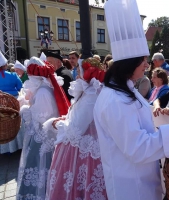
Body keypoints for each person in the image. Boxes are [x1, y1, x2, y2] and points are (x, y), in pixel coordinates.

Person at [93, 1, 169, 199]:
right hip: (130, 183)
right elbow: (137, 147)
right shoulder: (115, 100)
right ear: (129, 63)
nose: (147, 64)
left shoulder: (126, 89)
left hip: (139, 176)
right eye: (143, 60)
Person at [45, 58, 107, 200]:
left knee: (79, 188)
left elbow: (76, 130)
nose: (77, 75)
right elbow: (78, 116)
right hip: (85, 148)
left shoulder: (92, 94)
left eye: (79, 72)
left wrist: (57, 124)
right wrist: (66, 119)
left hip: (83, 153)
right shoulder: (90, 91)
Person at [17, 57, 70, 199]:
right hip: (44, 137)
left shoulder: (42, 92)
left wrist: (24, 110)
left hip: (42, 140)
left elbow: (40, 119)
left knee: (40, 168)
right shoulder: (45, 88)